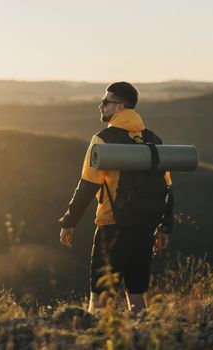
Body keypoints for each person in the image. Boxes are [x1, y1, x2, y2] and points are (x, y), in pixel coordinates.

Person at [58, 82, 174, 314]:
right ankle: (141, 335)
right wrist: (164, 226)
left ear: (120, 107)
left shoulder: (102, 139)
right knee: (138, 291)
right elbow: (167, 187)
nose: (101, 105)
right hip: (145, 225)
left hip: (112, 224)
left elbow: (88, 184)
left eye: (106, 102)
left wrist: (69, 221)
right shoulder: (153, 139)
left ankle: (95, 335)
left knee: (101, 293)